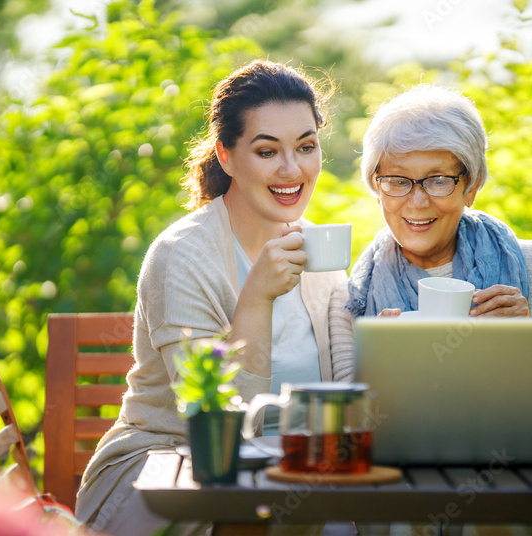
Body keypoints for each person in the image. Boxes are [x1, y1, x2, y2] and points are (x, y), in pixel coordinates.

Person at [75, 60, 354, 536]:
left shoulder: (318, 253)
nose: (293, 169)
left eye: (306, 147)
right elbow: (217, 423)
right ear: (226, 156)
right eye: (267, 151)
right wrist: (257, 296)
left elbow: (348, 390)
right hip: (169, 472)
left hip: (287, 475)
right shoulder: (182, 256)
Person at [335, 84, 532, 435]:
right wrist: (385, 369)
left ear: (471, 186)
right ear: (377, 188)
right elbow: (347, 432)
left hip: (530, 480)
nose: (417, 202)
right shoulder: (356, 294)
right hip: (417, 482)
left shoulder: (531, 264)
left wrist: (529, 344)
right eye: (397, 181)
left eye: (438, 181)